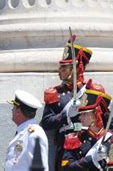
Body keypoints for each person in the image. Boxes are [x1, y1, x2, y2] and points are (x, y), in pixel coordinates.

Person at [40, 38, 93, 169]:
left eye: (64, 66)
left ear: (76, 68)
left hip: (90, 146)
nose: (60, 70)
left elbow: (108, 124)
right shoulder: (56, 94)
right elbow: (46, 123)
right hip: (66, 148)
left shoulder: (92, 92)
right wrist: (65, 116)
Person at [60, 81, 113, 170]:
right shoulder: (74, 140)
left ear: (95, 115)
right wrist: (91, 159)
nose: (80, 118)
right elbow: (66, 169)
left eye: (84, 114)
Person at [6, 90, 49, 170]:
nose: (12, 110)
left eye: (14, 108)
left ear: (18, 111)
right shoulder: (24, 131)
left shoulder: (34, 134)